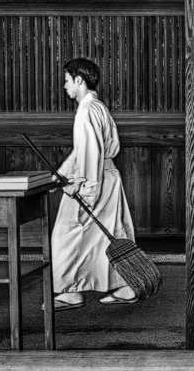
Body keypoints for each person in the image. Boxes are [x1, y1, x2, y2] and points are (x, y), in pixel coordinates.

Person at [51, 58, 138, 310]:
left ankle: (71, 291)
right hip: (105, 177)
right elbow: (83, 151)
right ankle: (125, 285)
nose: (65, 86)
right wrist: (61, 174)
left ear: (79, 80)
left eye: (67, 80)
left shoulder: (87, 110)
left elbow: (91, 153)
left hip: (96, 179)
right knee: (110, 235)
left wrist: (87, 191)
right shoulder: (97, 107)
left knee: (67, 234)